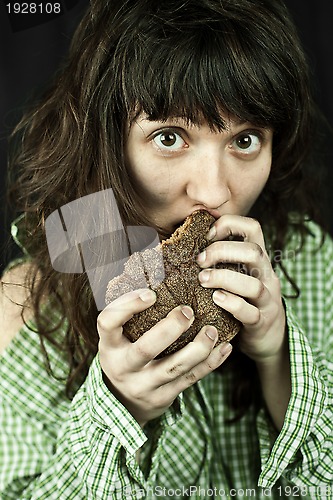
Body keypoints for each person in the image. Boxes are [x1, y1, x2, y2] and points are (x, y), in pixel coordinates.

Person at [0, 0, 332, 498]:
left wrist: (278, 357)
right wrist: (121, 408)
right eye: (170, 136)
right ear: (108, 141)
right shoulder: (28, 306)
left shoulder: (309, 257)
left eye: (245, 141)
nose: (215, 193)